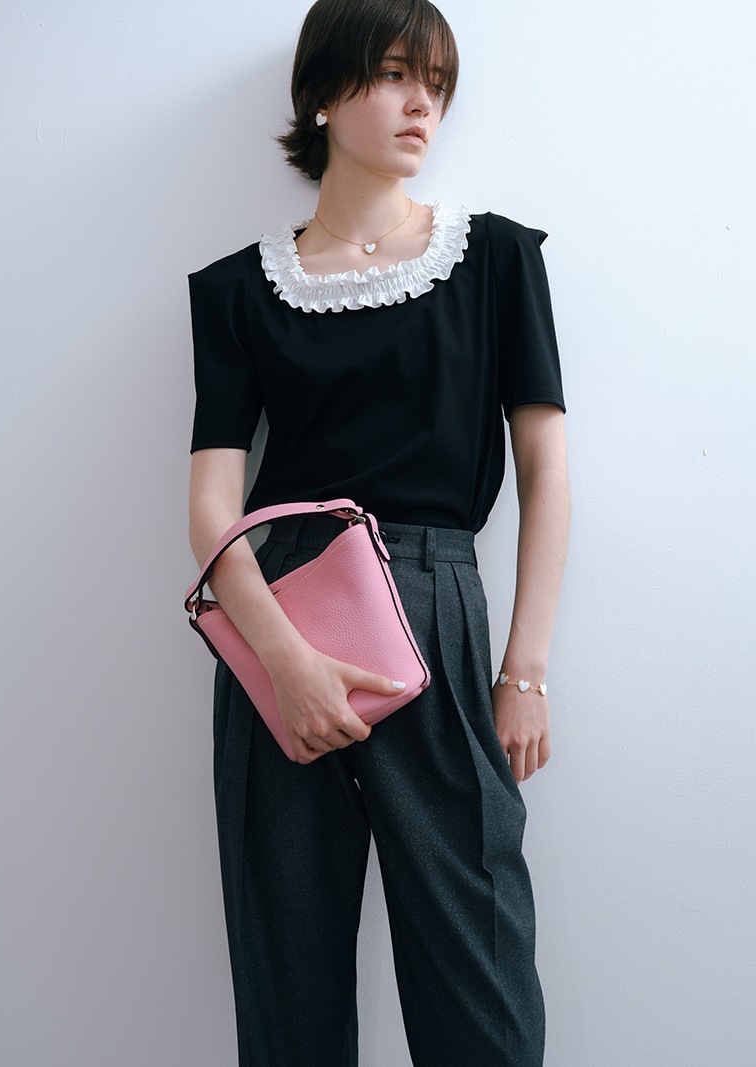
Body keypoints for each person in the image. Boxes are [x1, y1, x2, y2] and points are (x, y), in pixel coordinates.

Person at [186, 0, 570, 1063]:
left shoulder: (493, 260)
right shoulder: (237, 292)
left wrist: (524, 671)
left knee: (481, 989)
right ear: (321, 93)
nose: (420, 105)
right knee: (289, 990)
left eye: (435, 84)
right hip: (278, 620)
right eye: (395, 74)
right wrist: (284, 661)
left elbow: (546, 473)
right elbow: (213, 508)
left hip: (436, 615)